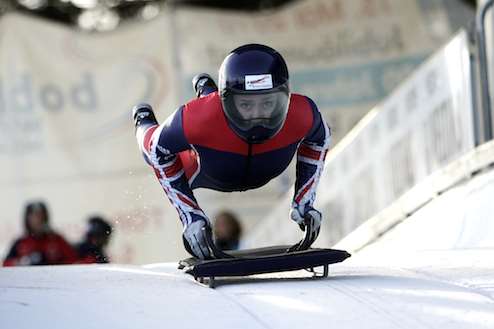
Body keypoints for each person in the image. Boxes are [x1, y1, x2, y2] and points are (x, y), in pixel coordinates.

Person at [133, 44, 330, 259]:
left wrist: (304, 201)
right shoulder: (197, 118)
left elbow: (320, 140)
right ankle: (143, 119)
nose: (257, 116)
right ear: (227, 102)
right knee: (151, 144)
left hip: (227, 151)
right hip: (205, 168)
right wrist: (190, 215)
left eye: (268, 103)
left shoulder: (302, 112)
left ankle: (206, 90)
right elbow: (156, 150)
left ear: (285, 97)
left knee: (209, 113)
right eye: (246, 105)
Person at [3, 201, 78, 266]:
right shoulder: (21, 243)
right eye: (34, 216)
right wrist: (24, 261)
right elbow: (6, 265)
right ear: (27, 219)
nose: (38, 219)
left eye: (41, 215)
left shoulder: (56, 240)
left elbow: (73, 260)